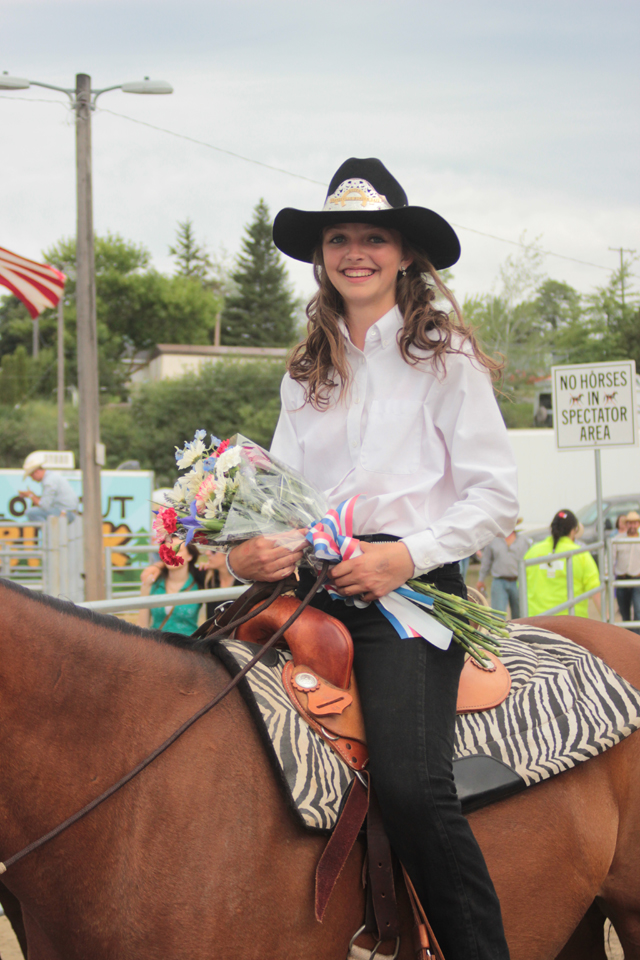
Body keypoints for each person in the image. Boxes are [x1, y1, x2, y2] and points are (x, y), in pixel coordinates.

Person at [225, 158, 518, 960]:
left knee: (412, 786)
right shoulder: (304, 370)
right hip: (311, 586)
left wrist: (404, 558)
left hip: (410, 597)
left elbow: (496, 497)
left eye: (374, 238)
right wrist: (248, 551)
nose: (355, 252)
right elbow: (280, 496)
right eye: (339, 240)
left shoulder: (443, 355)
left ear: (405, 254)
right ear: (321, 258)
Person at [524, 509, 600, 617]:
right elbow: (595, 589)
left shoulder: (533, 551)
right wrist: (607, 617)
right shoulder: (580, 554)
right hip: (571, 621)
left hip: (537, 620)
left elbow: (521, 585)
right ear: (573, 530)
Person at [138, 539, 203, 635]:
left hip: (189, 642)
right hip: (158, 642)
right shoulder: (152, 582)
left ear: (190, 556)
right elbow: (142, 624)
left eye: (177, 550)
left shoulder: (201, 582)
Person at [476, 523, 530, 618]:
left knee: (520, 614)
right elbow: (486, 561)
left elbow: (529, 561)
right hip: (499, 582)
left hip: (519, 582)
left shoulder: (524, 540)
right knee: (498, 615)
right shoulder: (493, 541)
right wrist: (481, 579)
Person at [19, 452, 79, 522]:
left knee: (31, 513)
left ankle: (47, 529)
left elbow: (44, 506)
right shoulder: (51, 477)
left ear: (36, 472)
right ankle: (49, 528)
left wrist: (30, 495)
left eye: (31, 476)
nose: (32, 479)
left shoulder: (48, 481)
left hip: (66, 512)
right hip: (68, 511)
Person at [612, 510, 640, 631]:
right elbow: (610, 558)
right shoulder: (617, 539)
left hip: (637, 579)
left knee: (638, 611)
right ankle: (628, 637)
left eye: (635, 523)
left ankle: (636, 638)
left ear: (638, 524)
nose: (632, 526)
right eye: (630, 523)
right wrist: (608, 572)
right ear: (626, 524)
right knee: (624, 613)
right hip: (622, 579)